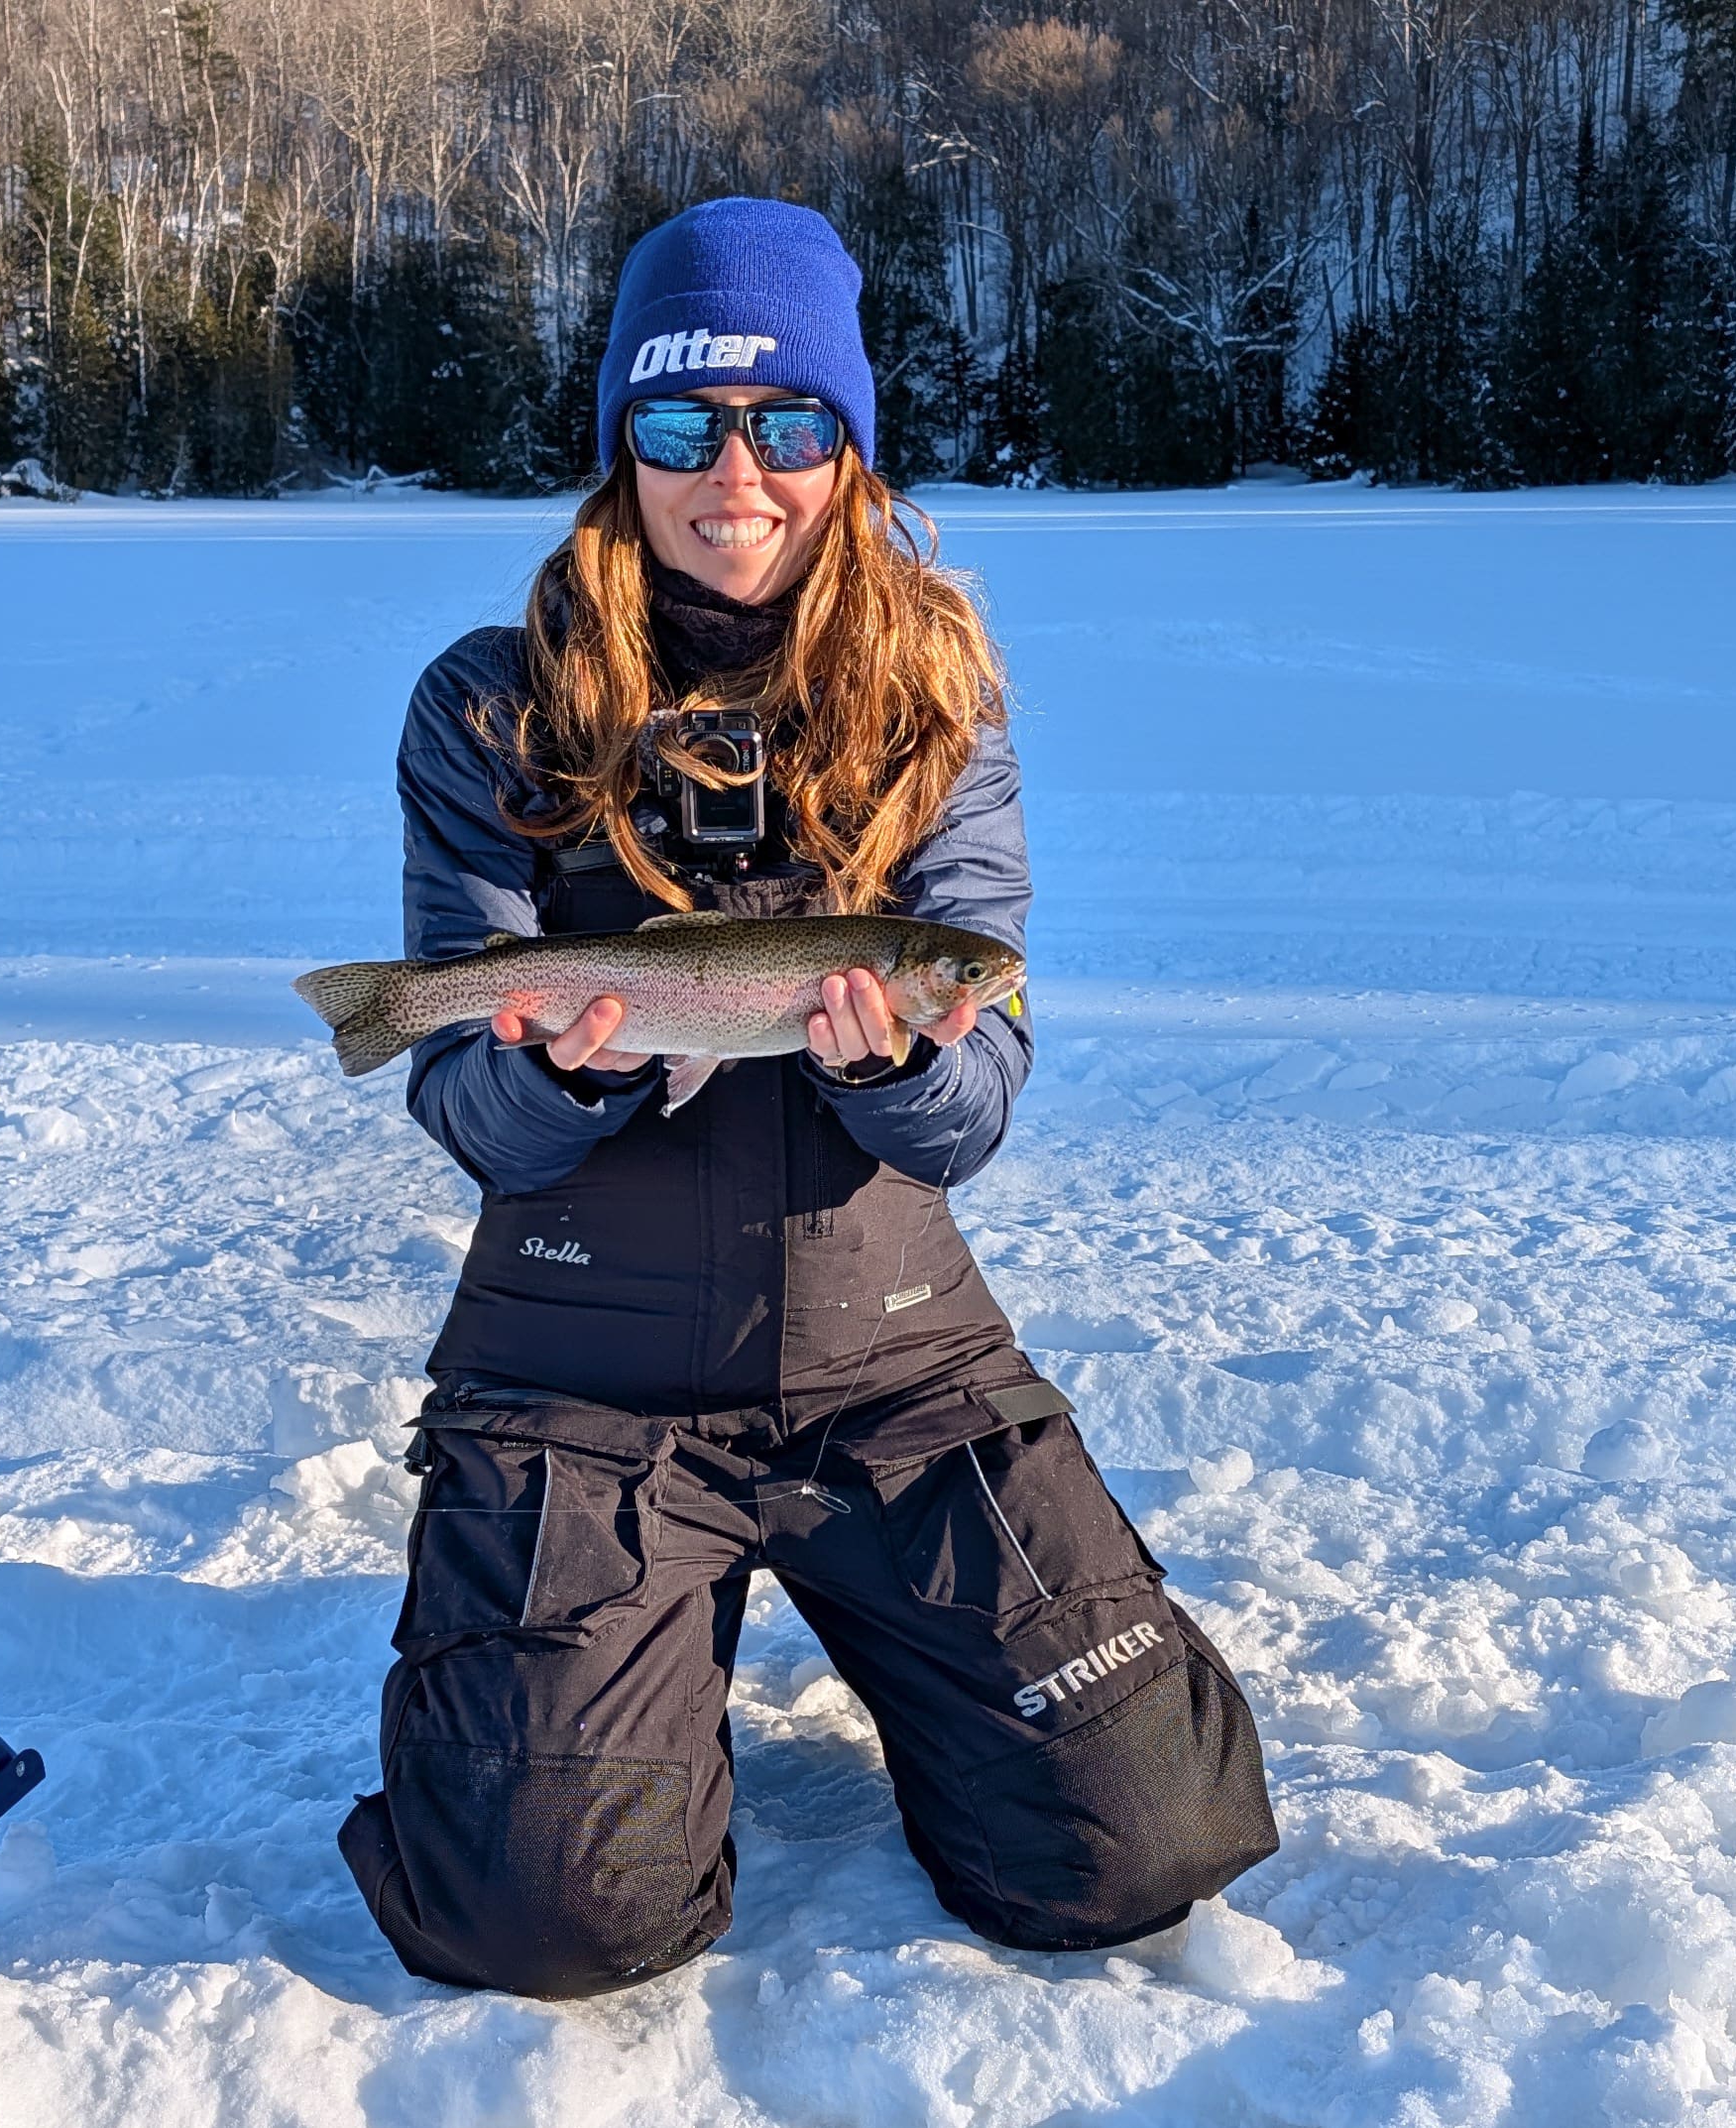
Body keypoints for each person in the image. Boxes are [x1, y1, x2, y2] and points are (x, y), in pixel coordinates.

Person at [336, 196, 1277, 1999]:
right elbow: (466, 1106)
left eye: (788, 425)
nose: (734, 475)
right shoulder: (486, 709)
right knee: (549, 1915)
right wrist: (566, 1079)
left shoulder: (936, 695)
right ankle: (582, 1713)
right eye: (682, 427)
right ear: (624, 447)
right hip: (576, 1377)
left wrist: (903, 1063)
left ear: (849, 450)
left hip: (897, 1368)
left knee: (1135, 1839)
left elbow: (979, 1096)